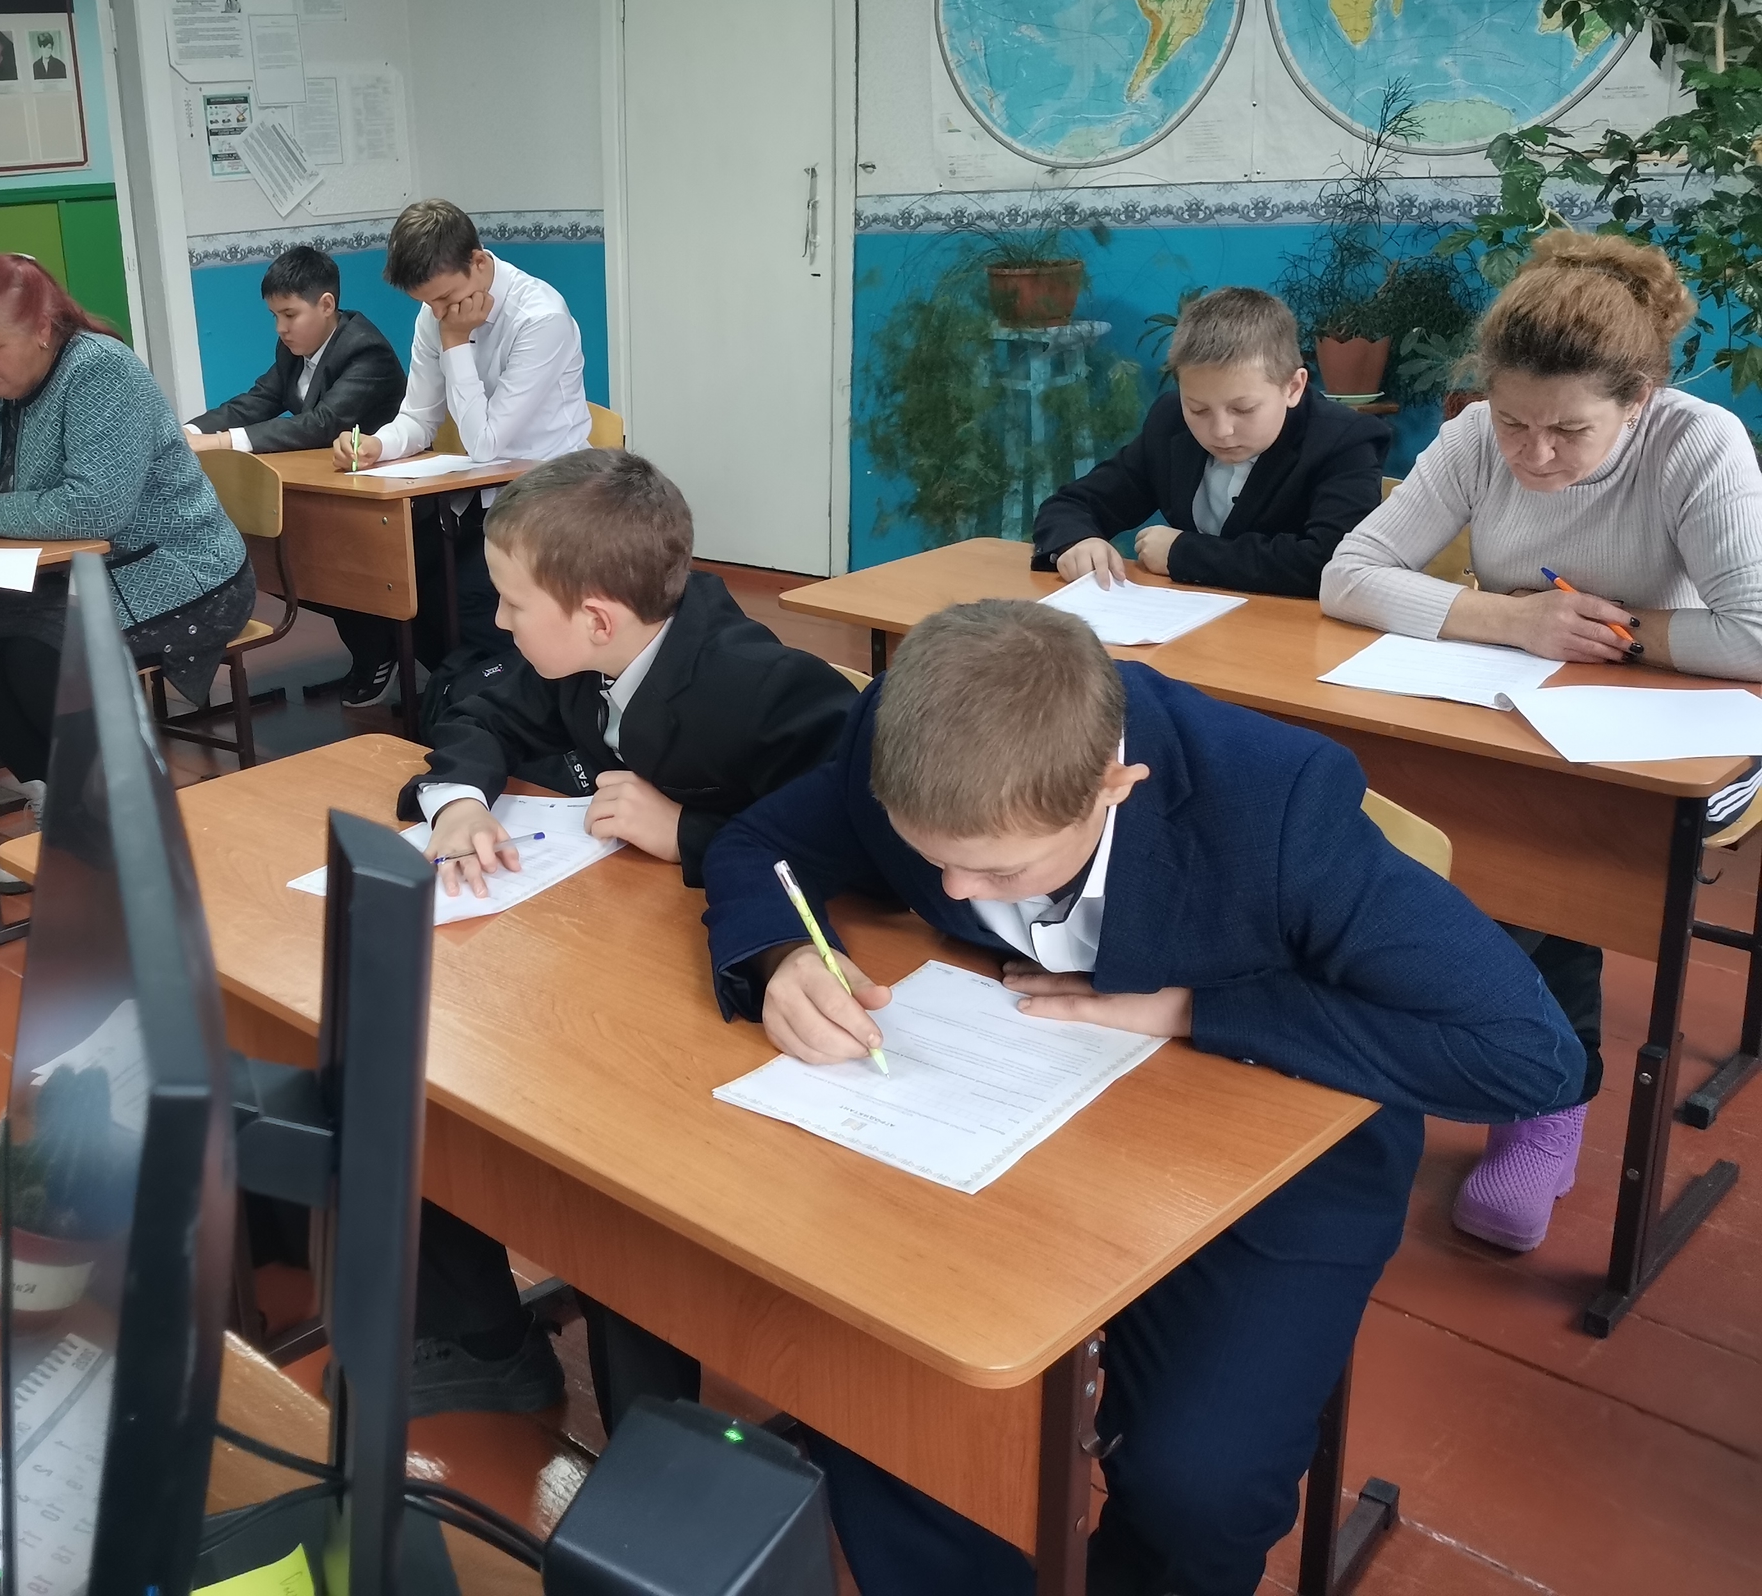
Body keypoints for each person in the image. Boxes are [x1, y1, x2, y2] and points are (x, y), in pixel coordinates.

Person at [702, 598, 1581, 1596]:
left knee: (1194, 1486)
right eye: (929, 854)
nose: (950, 890)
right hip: (1012, 1110)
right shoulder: (904, 742)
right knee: (882, 1386)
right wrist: (780, 955)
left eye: (995, 866)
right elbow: (763, 846)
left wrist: (1194, 1010)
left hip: (1271, 1155)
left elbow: (1529, 1057)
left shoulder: (1275, 807)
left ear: (1113, 786)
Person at [1322, 231, 1762, 1251]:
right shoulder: (1477, 436)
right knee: (1442, 830)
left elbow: (1755, 634)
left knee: (1524, 869)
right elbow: (1349, 574)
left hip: (1681, 745)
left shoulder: (1697, 445)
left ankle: (1535, 1102)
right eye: (1513, 421)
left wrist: (1620, 633)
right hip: (1511, 705)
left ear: (1639, 399)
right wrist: (1511, 620)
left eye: (1568, 430)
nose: (1532, 454)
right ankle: (1511, 1081)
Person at [402, 448, 859, 1420]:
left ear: (597, 618)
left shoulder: (756, 686)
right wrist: (458, 804)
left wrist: (686, 831)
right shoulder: (586, 648)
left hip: (764, 981)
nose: (498, 622)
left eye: (512, 604)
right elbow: (482, 707)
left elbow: (860, 837)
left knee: (624, 1186)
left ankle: (654, 1428)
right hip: (635, 954)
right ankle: (490, 1339)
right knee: (435, 1065)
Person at [0, 253, 252, 797]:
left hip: (179, 568)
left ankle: (125, 805)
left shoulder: (102, 372)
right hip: (68, 574)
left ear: (42, 330)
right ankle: (55, 796)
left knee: (42, 656)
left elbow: (97, 508)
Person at [331, 199, 592, 686]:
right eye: (427, 303)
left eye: (445, 298)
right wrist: (375, 446)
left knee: (465, 595)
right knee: (404, 580)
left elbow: (486, 444)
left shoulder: (540, 318)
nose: (437, 312)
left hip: (549, 497)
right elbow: (418, 417)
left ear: (478, 261)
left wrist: (455, 341)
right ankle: (465, 692)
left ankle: (520, 694)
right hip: (476, 497)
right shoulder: (437, 314)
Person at [1034, 286, 1390, 596]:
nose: (1220, 431)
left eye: (1243, 409)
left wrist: (1184, 553)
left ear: (1293, 387)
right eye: (1199, 409)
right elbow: (1074, 504)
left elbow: (1331, 561)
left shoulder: (1344, 440)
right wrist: (1077, 540)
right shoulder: (1171, 421)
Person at [184, 244, 409, 703]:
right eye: (274, 316)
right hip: (333, 487)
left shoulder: (366, 350)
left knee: (334, 569)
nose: (280, 328)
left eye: (289, 315)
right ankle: (370, 652)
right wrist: (186, 432)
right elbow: (258, 400)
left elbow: (322, 424)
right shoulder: (294, 348)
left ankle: (382, 653)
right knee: (300, 567)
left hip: (387, 499)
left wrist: (221, 442)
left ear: (326, 305)